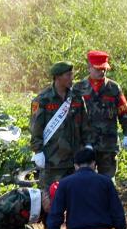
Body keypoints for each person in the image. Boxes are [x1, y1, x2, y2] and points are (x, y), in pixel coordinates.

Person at [71, 50, 127, 178]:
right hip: (85, 145)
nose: (102, 72)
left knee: (107, 180)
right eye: (98, 69)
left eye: (104, 69)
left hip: (108, 144)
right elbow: (72, 117)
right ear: (89, 68)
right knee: (86, 180)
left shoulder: (113, 88)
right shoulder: (78, 89)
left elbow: (124, 112)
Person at [29, 61, 85, 192]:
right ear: (58, 77)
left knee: (75, 197)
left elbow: (85, 124)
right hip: (52, 160)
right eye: (68, 75)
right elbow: (35, 127)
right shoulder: (42, 100)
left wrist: (87, 145)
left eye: (72, 74)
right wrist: (38, 151)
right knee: (51, 199)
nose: (72, 78)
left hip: (75, 160)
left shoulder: (76, 98)